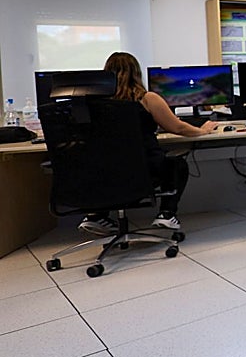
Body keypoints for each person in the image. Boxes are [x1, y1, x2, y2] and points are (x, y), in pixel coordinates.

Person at [77, 52, 219, 235]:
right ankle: (166, 214)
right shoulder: (147, 99)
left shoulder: (93, 103)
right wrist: (203, 130)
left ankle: (95, 215)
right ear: (137, 73)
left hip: (105, 174)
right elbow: (179, 128)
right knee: (177, 164)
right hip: (144, 170)